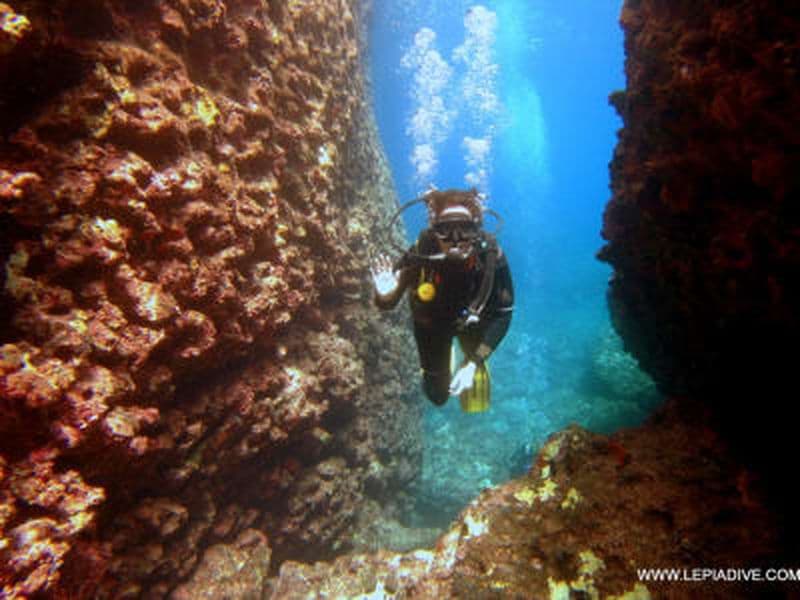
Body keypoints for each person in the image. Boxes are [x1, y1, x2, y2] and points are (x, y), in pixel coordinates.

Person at [371, 188, 514, 411]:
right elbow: (387, 304)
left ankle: (469, 358)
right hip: (432, 327)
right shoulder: (421, 251)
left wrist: (474, 363)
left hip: (472, 324)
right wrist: (383, 294)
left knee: (475, 397)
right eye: (445, 229)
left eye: (465, 229)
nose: (455, 240)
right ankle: (447, 361)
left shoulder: (490, 256)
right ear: (433, 229)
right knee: (437, 397)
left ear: (476, 228)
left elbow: (503, 316)